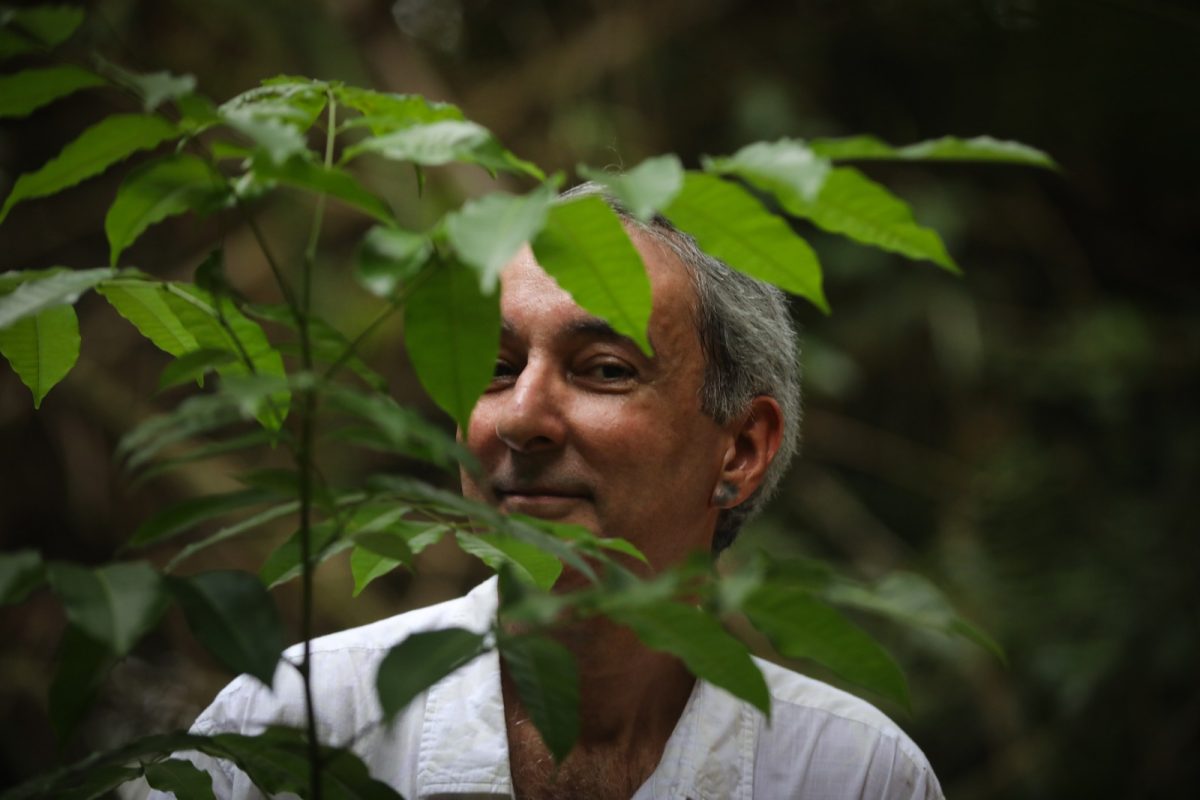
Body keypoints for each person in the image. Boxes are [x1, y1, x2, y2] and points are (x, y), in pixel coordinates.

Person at [148, 188, 943, 799]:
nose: (520, 417)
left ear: (739, 449)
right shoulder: (296, 728)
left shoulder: (847, 773)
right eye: (495, 368)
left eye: (604, 368)